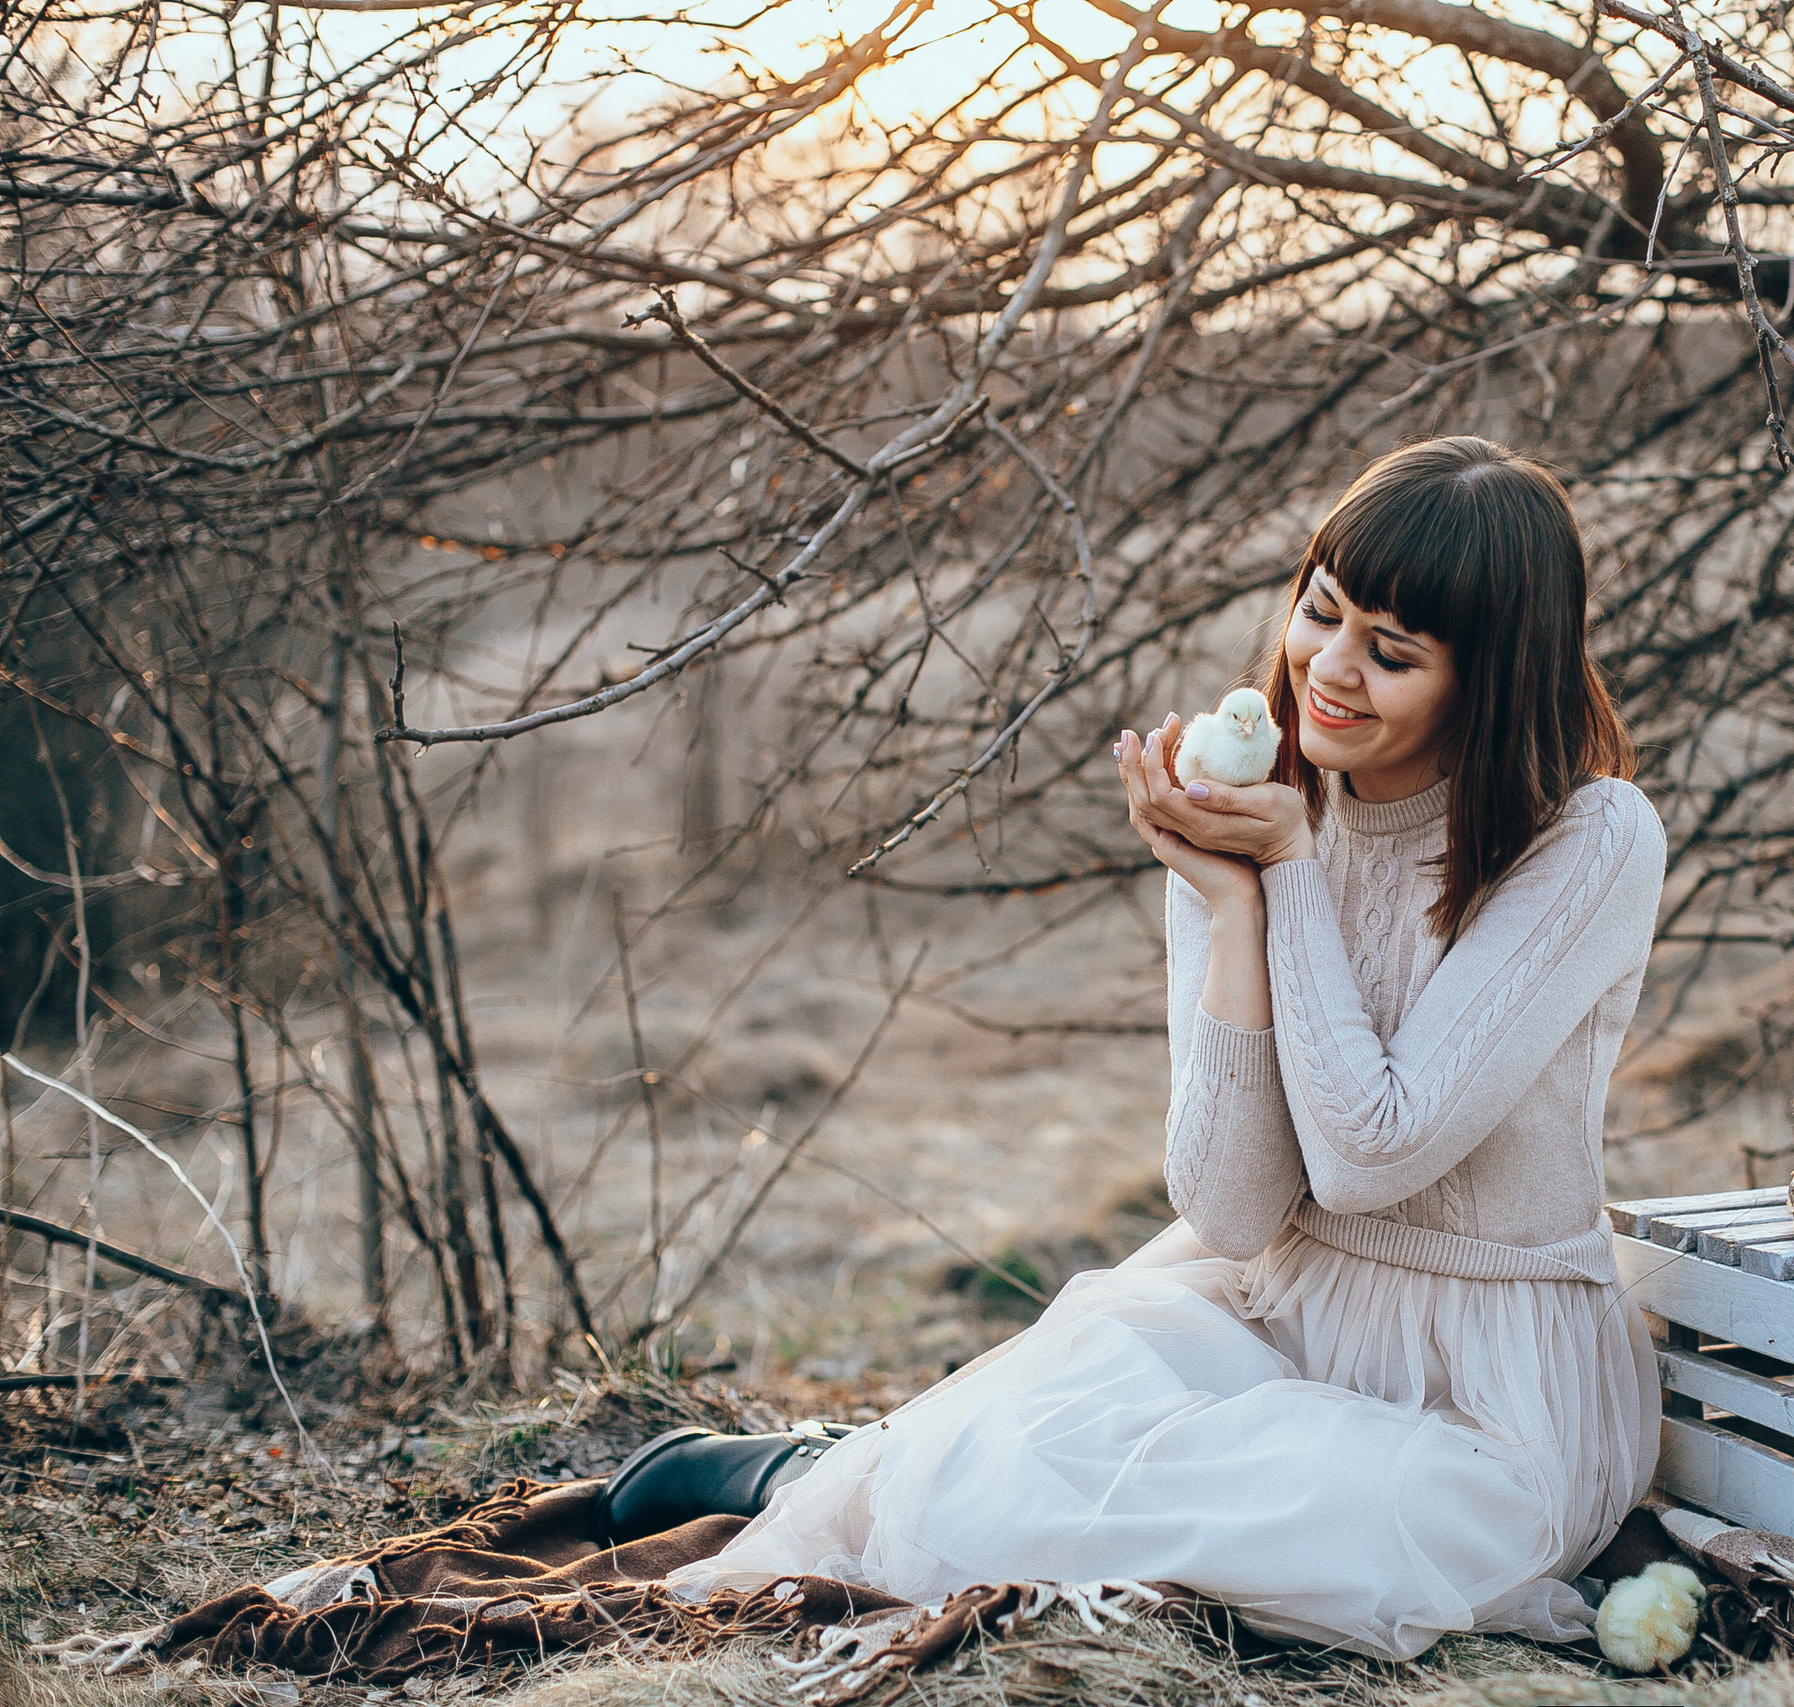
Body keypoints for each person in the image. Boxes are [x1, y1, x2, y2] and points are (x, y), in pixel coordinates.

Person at [632, 435, 1667, 1659]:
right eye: (1319, 614)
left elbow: (1369, 1154)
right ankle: (830, 1476)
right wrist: (1231, 897)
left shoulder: (1587, 841)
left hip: (1491, 1395)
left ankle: (827, 1469)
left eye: (1391, 653)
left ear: (1488, 678)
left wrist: (1280, 877)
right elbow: (1233, 1210)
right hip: (1276, 1310)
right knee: (1058, 1452)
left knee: (1326, 1527)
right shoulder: (1254, 811)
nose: (1329, 669)